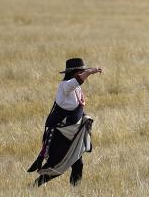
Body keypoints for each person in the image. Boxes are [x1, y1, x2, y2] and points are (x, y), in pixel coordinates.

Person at [28, 58, 102, 186]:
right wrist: (90, 72)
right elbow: (76, 81)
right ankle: (34, 186)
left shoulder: (76, 88)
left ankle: (75, 191)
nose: (83, 74)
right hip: (60, 135)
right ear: (74, 73)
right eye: (81, 72)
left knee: (78, 164)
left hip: (72, 134)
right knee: (56, 166)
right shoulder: (66, 86)